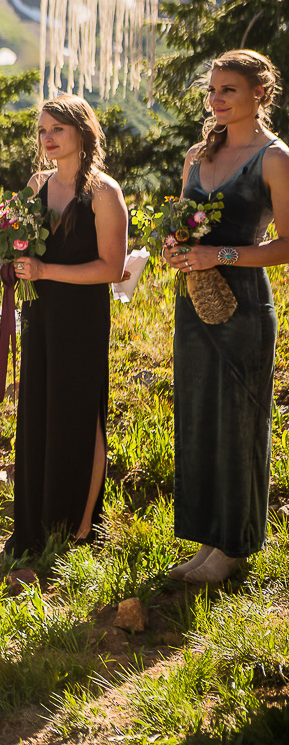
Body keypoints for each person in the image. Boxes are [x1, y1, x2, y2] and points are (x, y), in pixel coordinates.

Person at [164, 50, 289, 584]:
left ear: (260, 93)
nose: (216, 100)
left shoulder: (275, 158)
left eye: (228, 91)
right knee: (198, 415)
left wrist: (223, 255)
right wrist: (175, 245)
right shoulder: (197, 153)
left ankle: (235, 548)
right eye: (212, 91)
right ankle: (208, 538)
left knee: (239, 419)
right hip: (194, 297)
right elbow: (183, 219)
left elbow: (287, 244)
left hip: (243, 303)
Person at [5, 96, 128, 557]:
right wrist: (12, 260)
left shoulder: (102, 192)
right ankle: (38, 523)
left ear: (82, 132)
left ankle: (80, 527)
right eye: (42, 131)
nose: (48, 138)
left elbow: (112, 268)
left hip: (80, 316)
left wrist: (45, 272)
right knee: (39, 410)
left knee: (79, 412)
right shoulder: (37, 184)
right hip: (40, 313)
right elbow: (21, 241)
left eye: (57, 128)